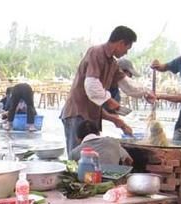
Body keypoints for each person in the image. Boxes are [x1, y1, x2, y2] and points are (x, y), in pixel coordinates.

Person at [61, 26, 154, 156]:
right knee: (77, 157)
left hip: (90, 115)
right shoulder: (96, 52)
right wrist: (109, 101)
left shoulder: (112, 63)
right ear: (121, 43)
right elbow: (91, 84)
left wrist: (145, 93)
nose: (126, 53)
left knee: (91, 158)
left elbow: (127, 84)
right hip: (77, 114)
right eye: (127, 48)